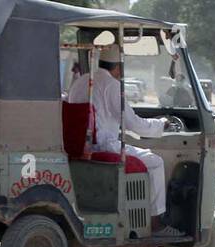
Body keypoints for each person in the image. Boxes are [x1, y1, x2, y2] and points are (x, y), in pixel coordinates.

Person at [67, 44, 177, 236]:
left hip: (79, 146)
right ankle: (156, 222)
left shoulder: (80, 82)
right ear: (118, 67)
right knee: (156, 162)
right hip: (104, 146)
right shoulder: (111, 85)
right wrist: (161, 124)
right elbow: (134, 124)